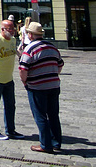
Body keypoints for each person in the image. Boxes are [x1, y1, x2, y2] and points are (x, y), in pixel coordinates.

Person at [19, 22, 64, 154]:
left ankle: (45, 144)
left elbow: (23, 69)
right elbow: (60, 64)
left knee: (40, 116)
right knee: (53, 115)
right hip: (53, 85)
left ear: (31, 35)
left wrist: (25, 82)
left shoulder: (30, 49)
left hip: (37, 87)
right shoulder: (52, 47)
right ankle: (56, 142)